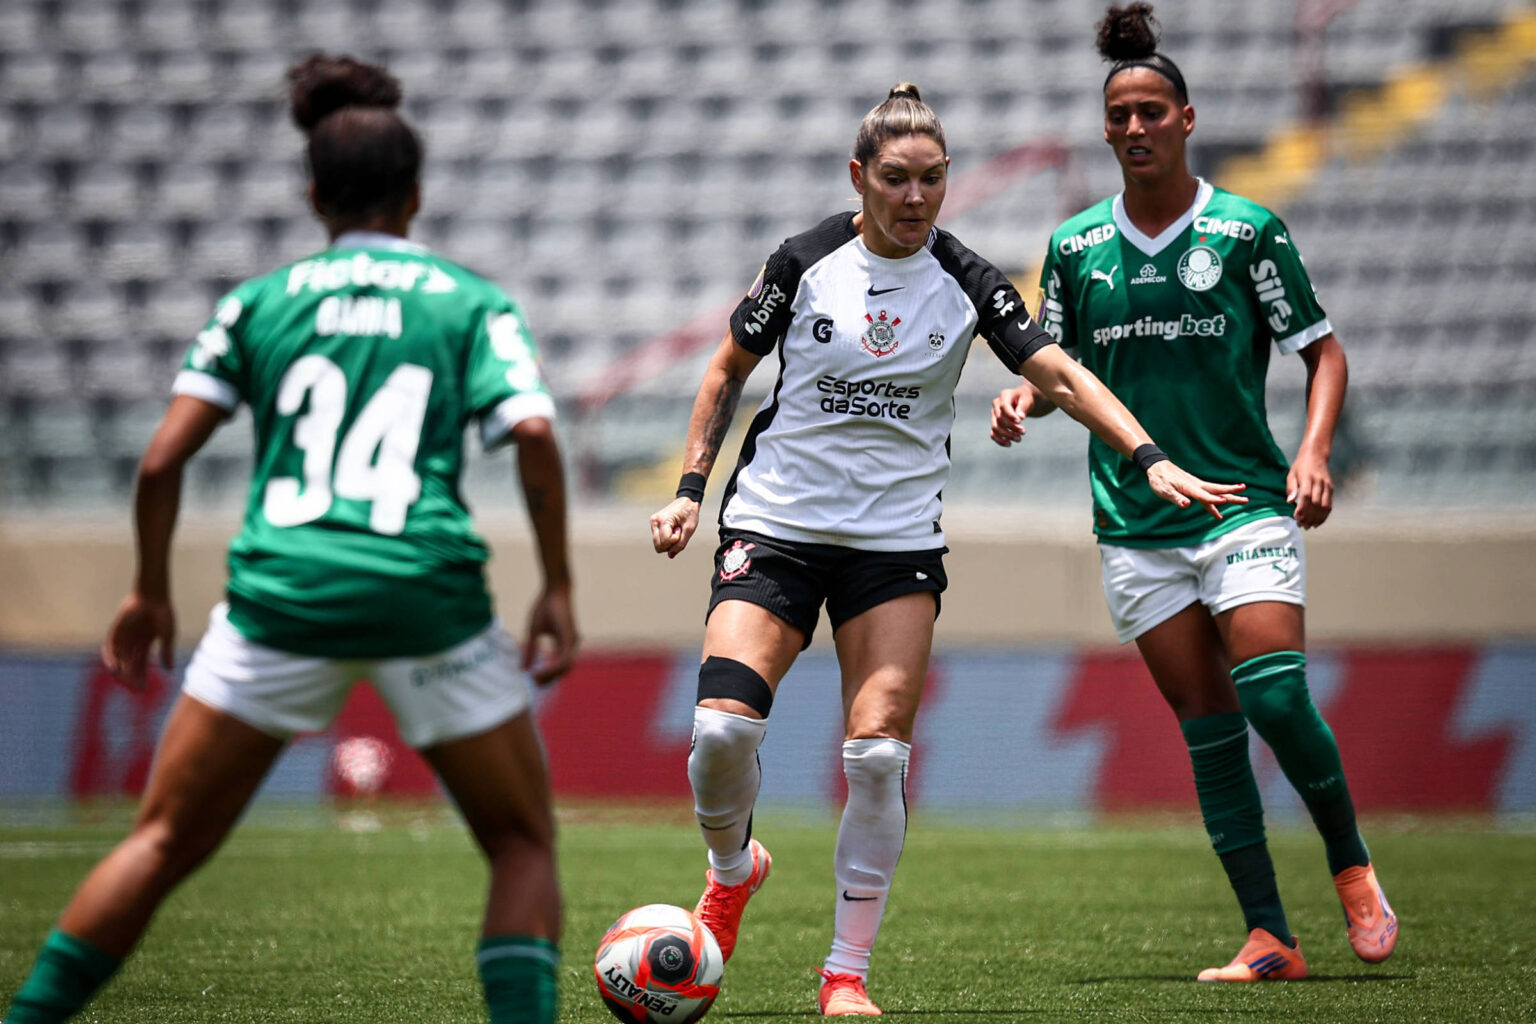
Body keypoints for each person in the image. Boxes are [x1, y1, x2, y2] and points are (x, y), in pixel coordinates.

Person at [649, 83, 1245, 1017]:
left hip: (893, 545)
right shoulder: (804, 263)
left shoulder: (968, 280)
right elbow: (727, 367)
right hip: (775, 526)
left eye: (933, 179)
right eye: (896, 179)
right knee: (722, 732)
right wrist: (690, 491)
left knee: (877, 756)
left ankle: (845, 974)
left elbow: (1057, 371)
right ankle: (732, 871)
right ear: (860, 177)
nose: (916, 197)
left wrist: (1148, 453)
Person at [4, 56, 577, 1024]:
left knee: (161, 842)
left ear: (313, 194)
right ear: (417, 193)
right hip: (422, 595)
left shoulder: (258, 302)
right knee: (521, 843)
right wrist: (555, 583)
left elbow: (158, 464)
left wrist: (148, 591)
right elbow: (530, 433)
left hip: (282, 595)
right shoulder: (470, 301)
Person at [990, 3, 1397, 984]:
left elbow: (1324, 350)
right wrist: (1021, 396)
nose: (1134, 128)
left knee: (1277, 692)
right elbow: (1059, 373)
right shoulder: (1076, 246)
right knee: (1210, 732)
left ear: (1186, 117)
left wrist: (1314, 453)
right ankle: (1270, 935)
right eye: (1119, 116)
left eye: (1151, 112)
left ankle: (1350, 865)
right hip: (1136, 524)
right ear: (1105, 129)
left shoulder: (1247, 230)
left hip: (1245, 501)